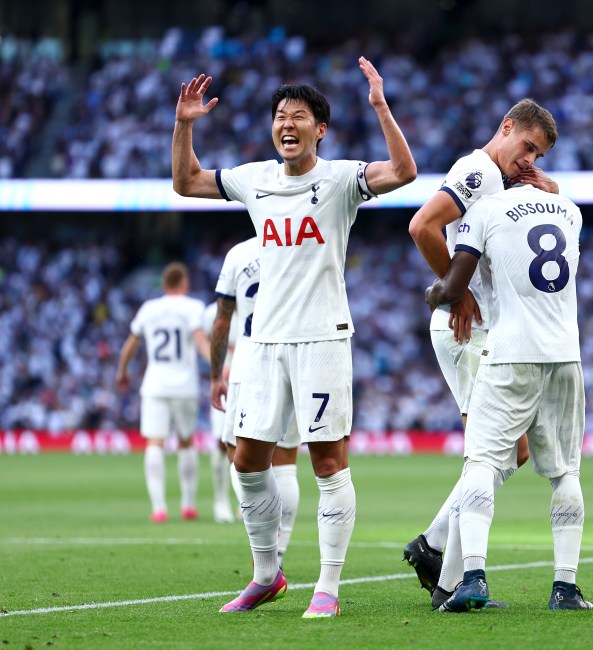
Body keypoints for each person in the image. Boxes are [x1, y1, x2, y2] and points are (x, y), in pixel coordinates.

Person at [172, 57, 416, 617]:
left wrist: (380, 105)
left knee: (328, 462)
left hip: (322, 340)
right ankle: (266, 574)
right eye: (280, 115)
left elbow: (403, 172)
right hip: (261, 344)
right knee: (247, 462)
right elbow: (186, 182)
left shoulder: (339, 180)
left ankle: (328, 585)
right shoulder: (255, 179)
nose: (288, 124)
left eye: (299, 116)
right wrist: (185, 125)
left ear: (319, 129)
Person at [404, 98, 559, 606]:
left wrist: (549, 193)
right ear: (507, 127)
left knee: (506, 451)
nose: (529, 160)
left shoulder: (505, 182)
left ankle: (436, 547)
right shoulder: (476, 171)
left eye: (538, 155)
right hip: (466, 329)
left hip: (482, 329)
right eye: (527, 147)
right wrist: (457, 288)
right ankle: (445, 566)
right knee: (492, 453)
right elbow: (423, 225)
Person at [425, 183, 592, 612]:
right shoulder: (569, 210)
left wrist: (434, 295)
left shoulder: (485, 208)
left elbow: (455, 286)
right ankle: (566, 588)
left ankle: (473, 578)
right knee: (566, 472)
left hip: (510, 353)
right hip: (565, 355)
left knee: (481, 461)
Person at [210, 236, 302, 568]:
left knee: (241, 458)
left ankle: (264, 555)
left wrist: (214, 374)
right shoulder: (301, 242)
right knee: (285, 461)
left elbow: (222, 320)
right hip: (294, 356)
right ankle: (278, 552)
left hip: (249, 360)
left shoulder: (239, 253)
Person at [116, 262, 210, 523]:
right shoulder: (193, 307)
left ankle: (159, 508)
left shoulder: (149, 309)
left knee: (154, 443)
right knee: (186, 441)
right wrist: (219, 367)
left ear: (164, 284)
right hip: (184, 386)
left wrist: (122, 371)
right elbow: (201, 343)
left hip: (155, 385)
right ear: (184, 282)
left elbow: (130, 345)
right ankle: (188, 505)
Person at [202, 299, 239, 523]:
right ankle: (221, 501)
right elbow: (203, 337)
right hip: (225, 379)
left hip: (253, 376)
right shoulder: (211, 313)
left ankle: (247, 502)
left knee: (256, 441)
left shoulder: (258, 302)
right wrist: (217, 363)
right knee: (221, 441)